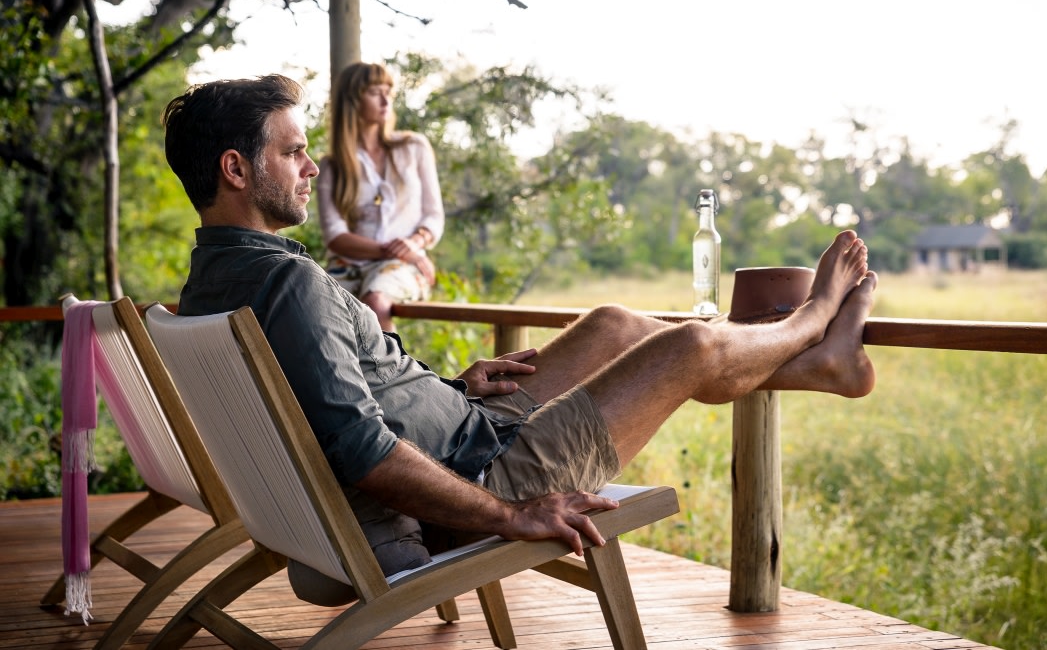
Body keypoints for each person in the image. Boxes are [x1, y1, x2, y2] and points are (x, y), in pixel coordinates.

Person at [162, 74, 877, 588]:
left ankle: (816, 365)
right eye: (292, 152)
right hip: (476, 479)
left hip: (462, 432)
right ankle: (813, 320)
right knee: (687, 346)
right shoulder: (290, 286)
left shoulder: (208, 287)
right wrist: (511, 515)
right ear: (235, 168)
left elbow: (333, 404)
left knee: (612, 325)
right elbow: (361, 450)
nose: (311, 165)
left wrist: (445, 389)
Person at [317, 61, 444, 331]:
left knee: (375, 300)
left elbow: (433, 216)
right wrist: (393, 249)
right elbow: (335, 236)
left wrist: (413, 245)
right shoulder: (332, 165)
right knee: (312, 309)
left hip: (403, 265)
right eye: (375, 92)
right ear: (352, 100)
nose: (386, 100)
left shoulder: (413, 147)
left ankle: (392, 374)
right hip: (348, 266)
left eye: (389, 91)